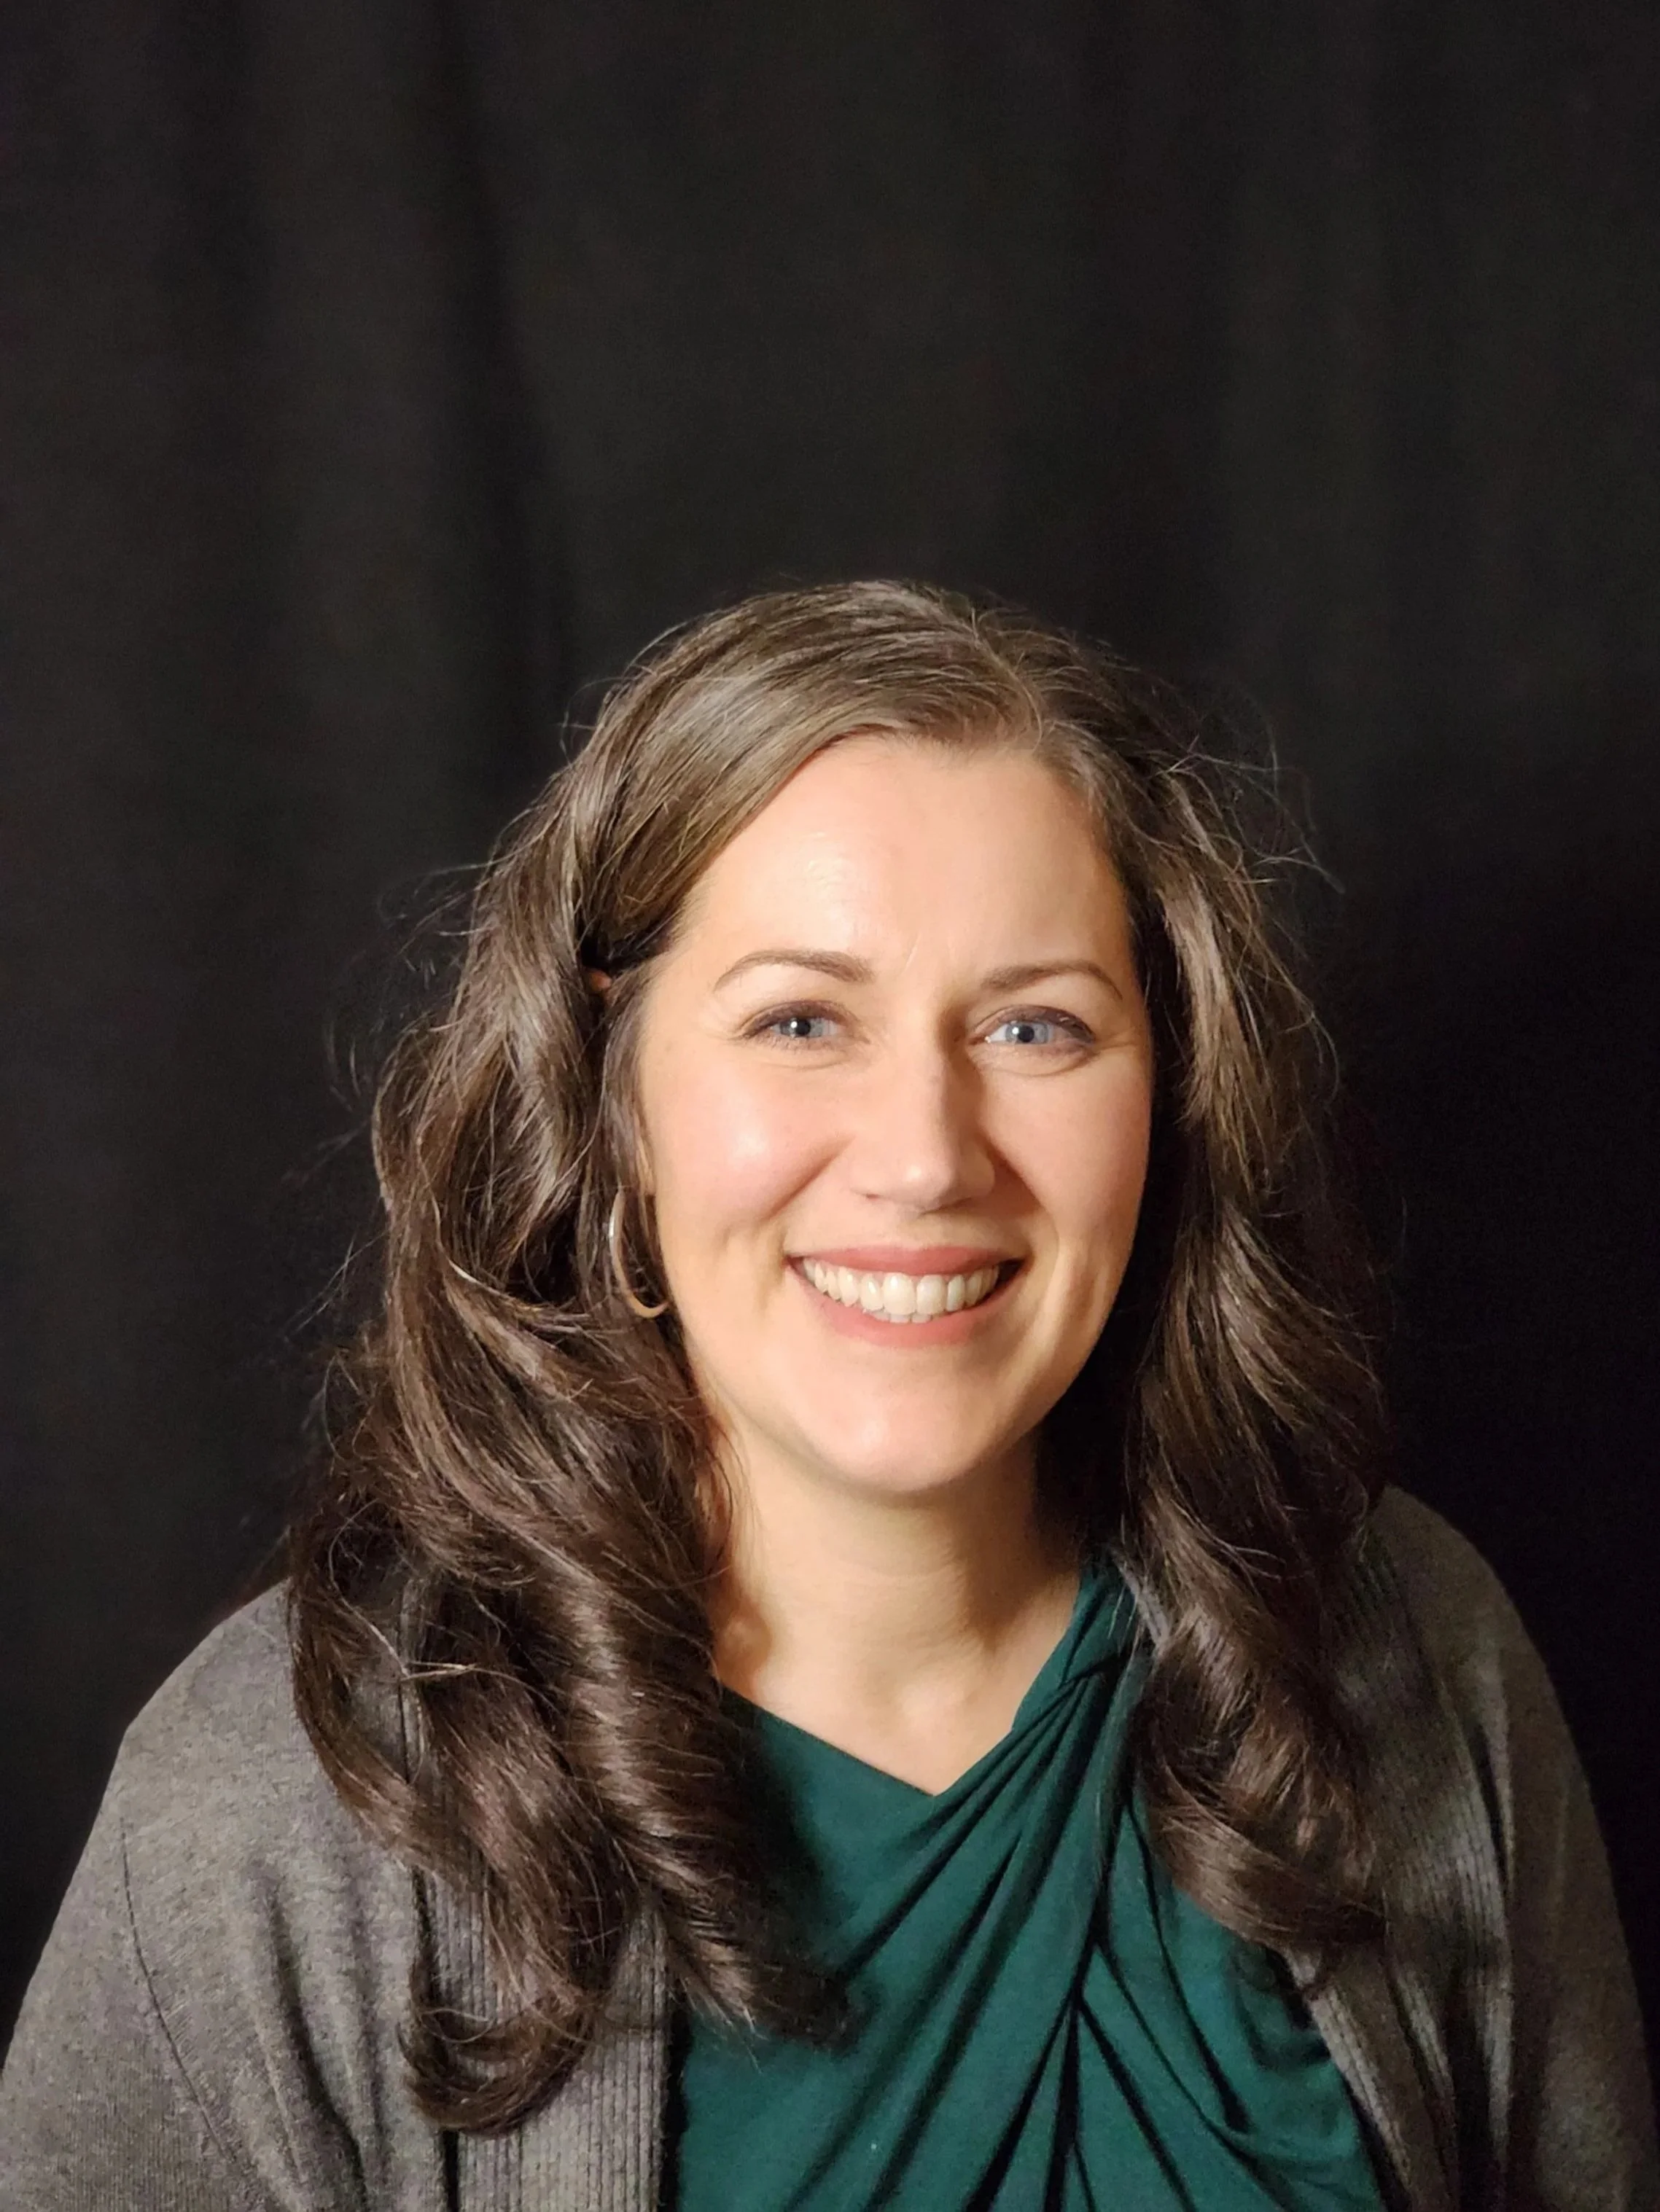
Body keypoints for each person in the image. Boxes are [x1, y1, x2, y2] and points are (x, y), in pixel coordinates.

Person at [1, 581, 1653, 2211]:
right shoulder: (278, 1808)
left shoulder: (1412, 1654)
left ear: (1171, 1087)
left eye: (1035, 1025)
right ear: (613, 1090)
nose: (928, 1154)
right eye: (801, 1019)